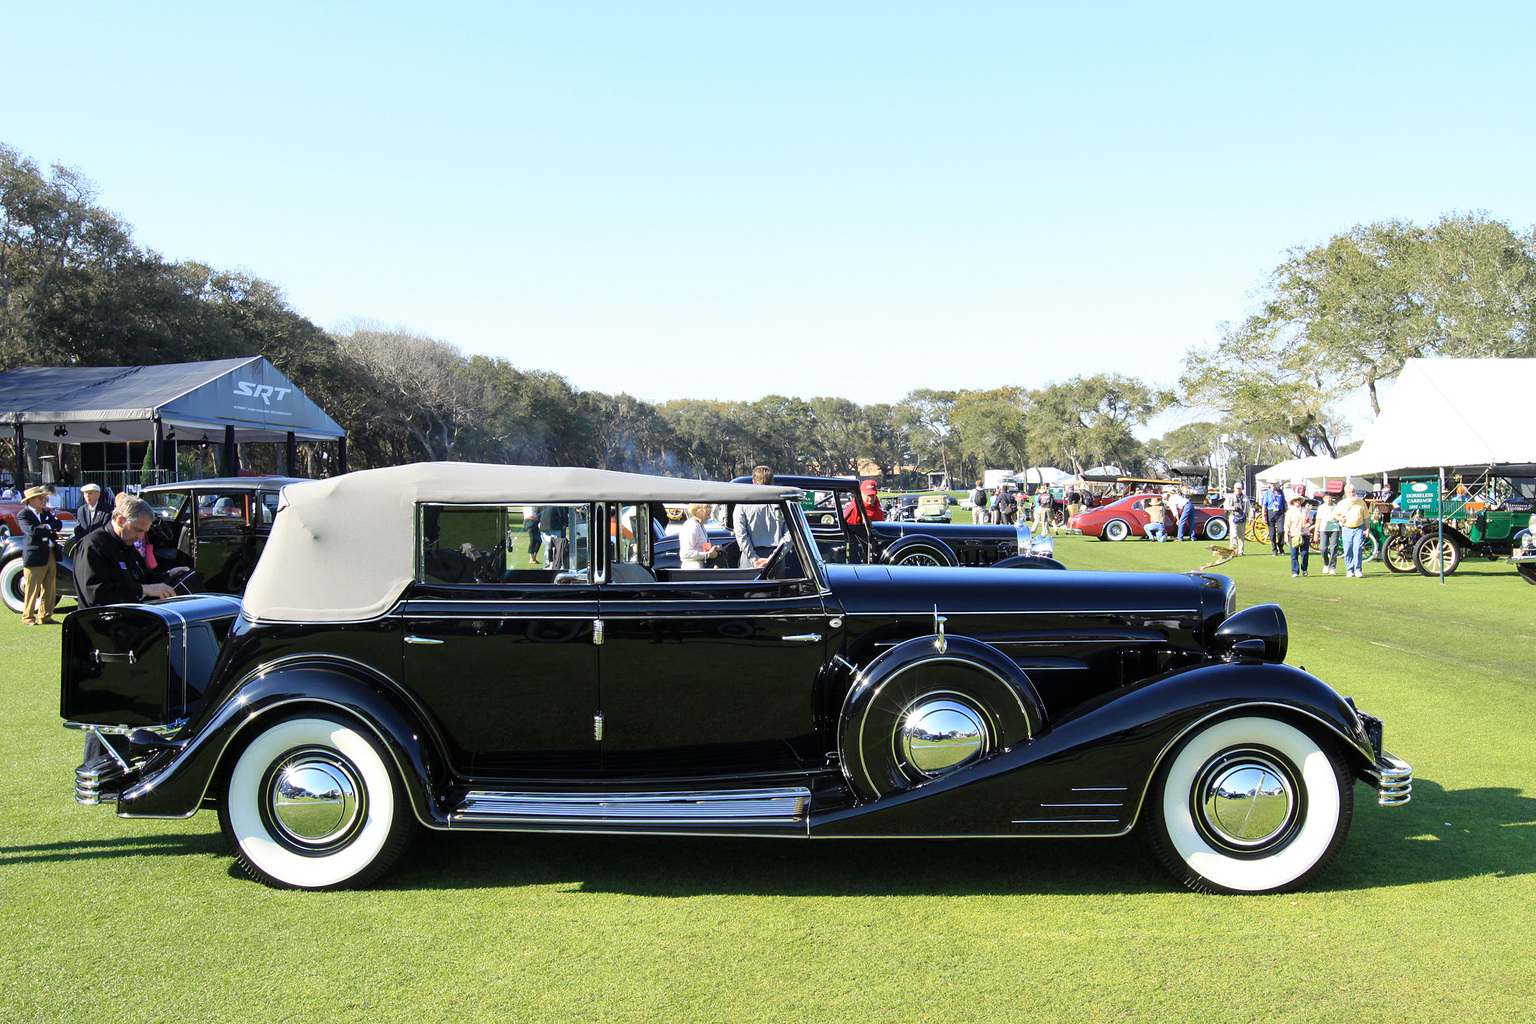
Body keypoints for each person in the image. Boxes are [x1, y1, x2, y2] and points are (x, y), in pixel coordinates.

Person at [72, 494, 190, 607]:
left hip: (129, 620)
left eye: (144, 531)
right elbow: (95, 593)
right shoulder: (93, 545)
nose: (140, 536)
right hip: (101, 623)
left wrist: (170, 574)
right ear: (120, 520)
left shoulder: (126, 544)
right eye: (137, 530)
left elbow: (144, 577)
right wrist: (143, 589)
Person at [17, 485, 63, 625]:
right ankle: (28, 617)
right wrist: (48, 529)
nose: (44, 500)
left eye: (44, 497)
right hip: (35, 556)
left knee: (50, 587)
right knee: (32, 588)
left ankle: (46, 616)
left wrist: (46, 527)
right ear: (30, 500)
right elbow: (33, 532)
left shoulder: (45, 512)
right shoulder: (23, 514)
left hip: (50, 553)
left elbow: (58, 524)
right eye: (40, 498)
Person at [733, 465, 786, 568]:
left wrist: (754, 558)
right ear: (773, 482)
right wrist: (774, 558)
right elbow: (789, 535)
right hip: (776, 555)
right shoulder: (782, 505)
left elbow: (741, 534)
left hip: (750, 556)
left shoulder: (742, 504)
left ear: (753, 482)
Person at [1336, 484, 1372, 578]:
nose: (1352, 494)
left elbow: (1366, 517)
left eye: (1353, 492)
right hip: (1346, 528)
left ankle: (1358, 569)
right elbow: (1335, 514)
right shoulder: (1342, 503)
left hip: (1359, 528)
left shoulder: (1361, 503)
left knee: (1358, 549)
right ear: (1346, 493)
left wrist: (1368, 528)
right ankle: (1349, 569)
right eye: (1349, 492)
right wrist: (1340, 518)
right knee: (1348, 549)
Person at [677, 502, 718, 569]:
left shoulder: (699, 525)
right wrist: (708, 554)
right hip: (692, 570)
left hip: (700, 569)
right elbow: (685, 554)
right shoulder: (692, 526)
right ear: (696, 511)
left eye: (710, 507)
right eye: (706, 507)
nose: (710, 510)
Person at [1285, 495, 1313, 577]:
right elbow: (1287, 523)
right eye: (1295, 500)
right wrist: (1286, 534)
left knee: (1304, 553)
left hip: (1304, 533)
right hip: (1294, 534)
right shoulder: (1290, 512)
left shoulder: (1305, 510)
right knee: (1294, 554)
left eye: (1298, 500)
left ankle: (1304, 569)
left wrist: (1308, 524)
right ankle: (1295, 571)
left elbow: (1310, 520)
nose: (1297, 502)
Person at [1315, 493, 1341, 574]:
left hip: (1334, 528)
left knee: (1333, 548)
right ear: (1324, 499)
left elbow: (1340, 518)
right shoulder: (1321, 508)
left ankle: (1332, 567)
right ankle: (1326, 564)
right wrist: (1316, 532)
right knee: (1323, 548)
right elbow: (1318, 520)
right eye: (1326, 498)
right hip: (1323, 528)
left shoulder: (1336, 507)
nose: (1328, 499)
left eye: (1330, 498)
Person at [1261, 481, 1287, 555]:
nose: (1273, 485)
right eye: (1271, 484)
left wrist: (1287, 512)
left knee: (1281, 531)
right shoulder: (1267, 493)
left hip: (1280, 513)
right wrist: (1263, 516)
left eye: (1274, 483)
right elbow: (1264, 504)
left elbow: (1284, 502)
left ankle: (1280, 545)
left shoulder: (1280, 492)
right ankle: (1274, 549)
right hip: (1271, 512)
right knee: (1272, 533)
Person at [1228, 483, 1249, 556]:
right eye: (1237, 488)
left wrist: (1250, 516)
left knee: (1241, 536)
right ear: (1234, 489)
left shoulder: (1245, 497)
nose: (1238, 490)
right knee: (1233, 534)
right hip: (1233, 517)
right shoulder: (1231, 497)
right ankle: (1234, 550)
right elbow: (1226, 506)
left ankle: (1241, 551)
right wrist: (1231, 508)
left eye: (1239, 488)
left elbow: (1248, 507)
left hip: (1242, 517)